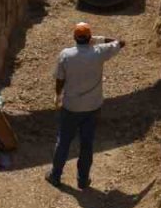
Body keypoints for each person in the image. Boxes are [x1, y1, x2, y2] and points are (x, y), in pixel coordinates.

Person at [47, 23, 125, 189]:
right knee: (87, 144)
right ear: (90, 38)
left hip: (71, 107)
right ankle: (83, 180)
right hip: (92, 107)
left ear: (74, 38)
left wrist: (57, 95)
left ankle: (55, 176)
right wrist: (98, 39)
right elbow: (121, 42)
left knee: (63, 142)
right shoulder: (99, 52)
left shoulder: (66, 55)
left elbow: (60, 79)